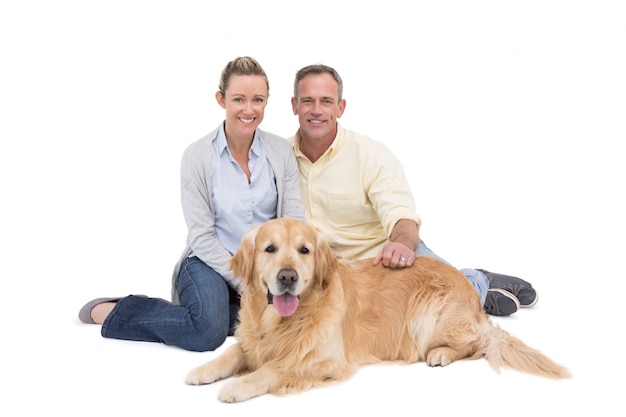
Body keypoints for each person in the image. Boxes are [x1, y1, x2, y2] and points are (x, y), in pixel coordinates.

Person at [78, 56, 305, 351]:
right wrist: (247, 282)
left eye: (257, 100)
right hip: (206, 260)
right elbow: (202, 237)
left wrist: (273, 273)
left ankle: (197, 312)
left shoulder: (280, 152)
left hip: (265, 267)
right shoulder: (197, 156)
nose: (249, 110)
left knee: (287, 322)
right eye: (239, 99)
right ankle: (119, 310)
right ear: (221, 99)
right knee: (207, 331)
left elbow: (294, 223)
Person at [287, 63, 537, 316]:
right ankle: (475, 286)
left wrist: (402, 246)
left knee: (431, 307)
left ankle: (474, 285)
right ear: (295, 105)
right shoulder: (279, 157)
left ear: (340, 108)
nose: (316, 110)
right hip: (331, 273)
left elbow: (401, 216)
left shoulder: (372, 155)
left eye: (326, 101)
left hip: (386, 259)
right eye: (308, 101)